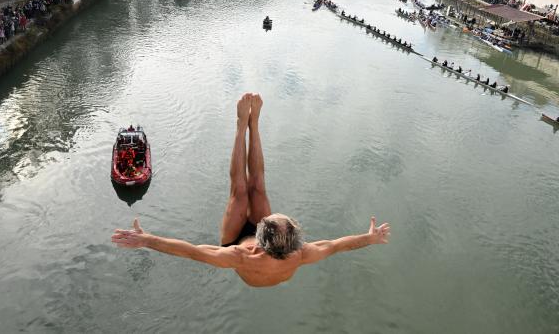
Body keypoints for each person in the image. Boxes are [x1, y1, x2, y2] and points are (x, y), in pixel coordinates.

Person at [112, 94, 391, 287]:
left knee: (240, 191)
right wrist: (369, 238)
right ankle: (254, 124)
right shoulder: (300, 253)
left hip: (236, 241)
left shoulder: (239, 255)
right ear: (291, 241)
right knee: (258, 185)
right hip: (270, 249)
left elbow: (191, 251)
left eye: (270, 220)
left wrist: (147, 240)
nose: (269, 216)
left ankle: (239, 126)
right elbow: (336, 246)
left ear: (260, 234)